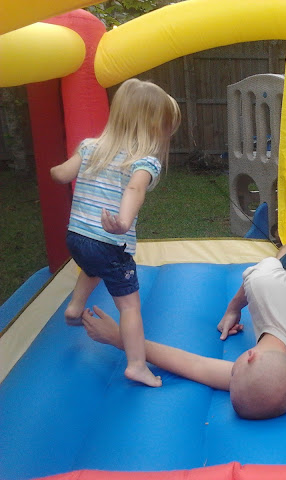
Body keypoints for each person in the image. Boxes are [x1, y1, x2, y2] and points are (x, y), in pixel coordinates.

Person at [81, 230, 286, 419]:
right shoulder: (267, 288)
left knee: (271, 275)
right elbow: (257, 276)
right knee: (278, 261)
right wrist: (234, 307)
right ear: (250, 356)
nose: (229, 372)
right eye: (233, 373)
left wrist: (120, 339)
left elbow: (195, 366)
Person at [50, 78, 182, 388]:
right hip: (109, 242)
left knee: (92, 266)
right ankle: (137, 365)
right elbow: (135, 189)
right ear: (152, 127)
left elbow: (62, 174)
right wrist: (123, 222)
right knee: (129, 306)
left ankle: (75, 308)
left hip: (76, 237)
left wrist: (54, 171)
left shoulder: (89, 147)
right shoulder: (144, 162)